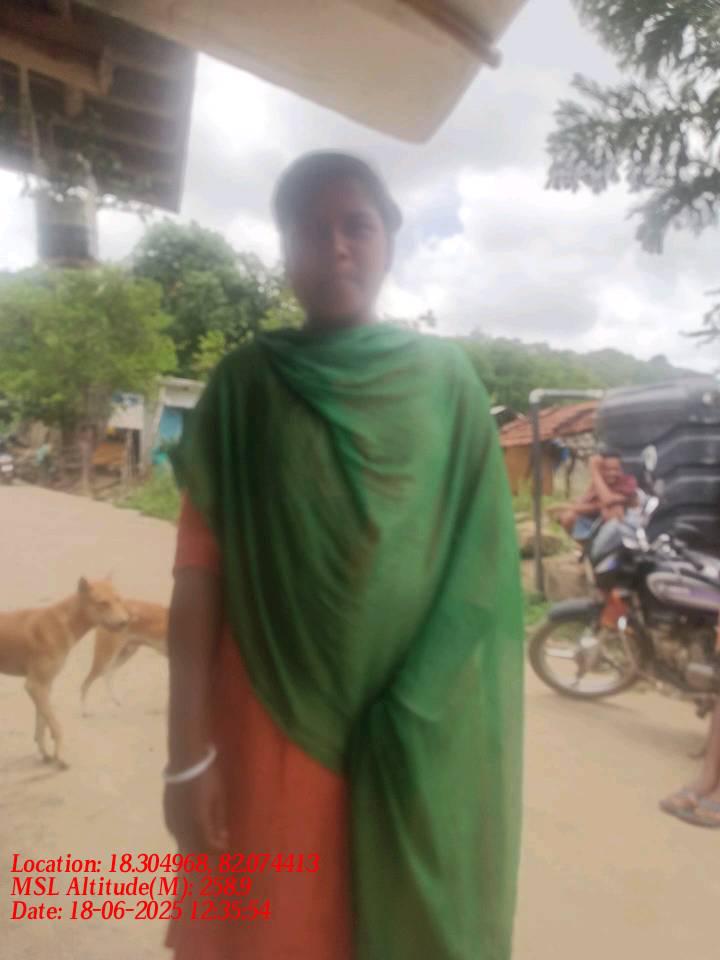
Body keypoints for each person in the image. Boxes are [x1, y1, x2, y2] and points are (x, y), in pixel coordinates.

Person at [163, 152, 524, 960]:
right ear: (285, 248)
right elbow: (197, 580)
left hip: (413, 734)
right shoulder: (245, 388)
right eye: (309, 228)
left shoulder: (448, 386)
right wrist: (185, 759)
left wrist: (414, 712)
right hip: (266, 725)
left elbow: (478, 574)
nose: (335, 245)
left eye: (355, 224)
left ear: (388, 237)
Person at [550, 451, 639, 542]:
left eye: (616, 469)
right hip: (598, 519)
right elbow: (588, 500)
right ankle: (586, 546)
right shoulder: (600, 481)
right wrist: (568, 505)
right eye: (606, 469)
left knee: (612, 509)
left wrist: (594, 471)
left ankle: (616, 544)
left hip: (625, 524)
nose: (612, 473)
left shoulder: (627, 481)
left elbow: (606, 501)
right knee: (568, 516)